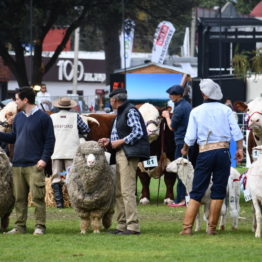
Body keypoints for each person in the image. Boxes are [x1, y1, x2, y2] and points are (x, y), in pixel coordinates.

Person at [180, 79, 244, 235]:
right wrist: (240, 149)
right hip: (223, 152)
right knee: (219, 190)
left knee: (196, 190)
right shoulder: (226, 110)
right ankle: (211, 228)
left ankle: (187, 228)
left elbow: (190, 137)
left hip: (205, 153)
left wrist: (184, 149)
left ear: (203, 94)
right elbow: (236, 132)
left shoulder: (196, 111)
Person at [0, 87, 55, 235]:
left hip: (35, 165)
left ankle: (40, 226)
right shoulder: (18, 118)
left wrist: (44, 159)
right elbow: (14, 137)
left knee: (37, 198)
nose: (15, 102)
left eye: (17, 99)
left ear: (25, 100)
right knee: (19, 198)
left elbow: (50, 141)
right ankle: (19, 227)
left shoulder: (44, 118)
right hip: (17, 164)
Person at [98, 88, 150, 235]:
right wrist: (109, 141)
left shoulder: (130, 111)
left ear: (115, 100)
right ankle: (122, 225)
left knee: (127, 191)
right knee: (120, 192)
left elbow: (138, 132)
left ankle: (132, 226)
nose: (110, 102)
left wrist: (119, 141)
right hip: (122, 153)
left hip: (127, 154)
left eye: (111, 100)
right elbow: (123, 134)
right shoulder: (122, 112)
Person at [50, 97, 90, 208]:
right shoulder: (75, 116)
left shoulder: (52, 117)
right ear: (70, 107)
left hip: (56, 151)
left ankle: (59, 203)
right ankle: (74, 202)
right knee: (72, 177)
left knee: (56, 177)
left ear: (58, 106)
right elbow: (86, 129)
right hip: (71, 151)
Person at [162, 85, 192, 207]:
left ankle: (180, 199)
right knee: (187, 171)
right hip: (189, 142)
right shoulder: (187, 106)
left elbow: (172, 127)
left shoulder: (180, 108)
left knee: (181, 171)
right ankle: (187, 198)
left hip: (181, 142)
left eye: (172, 94)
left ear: (178, 95)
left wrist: (167, 116)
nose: (170, 96)